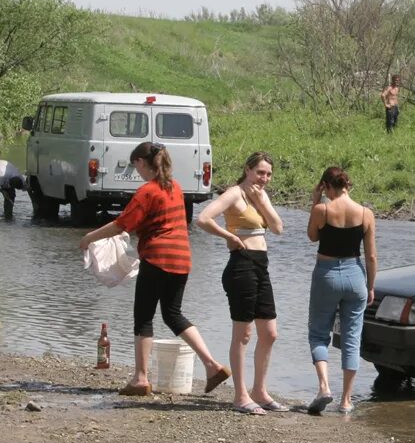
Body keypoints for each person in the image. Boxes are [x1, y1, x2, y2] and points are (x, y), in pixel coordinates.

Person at [79, 142, 230, 397]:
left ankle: (140, 379)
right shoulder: (176, 188)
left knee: (144, 317)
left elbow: (122, 224)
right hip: (182, 259)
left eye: (135, 165)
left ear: (141, 162)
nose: (135, 170)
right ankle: (212, 365)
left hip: (158, 258)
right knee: (173, 314)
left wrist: (89, 238)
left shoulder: (147, 191)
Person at [196, 152, 286, 415]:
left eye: (268, 174)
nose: (264, 178)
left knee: (269, 334)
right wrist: (229, 236)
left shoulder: (261, 195)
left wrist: (261, 200)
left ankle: (260, 391)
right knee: (243, 334)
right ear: (247, 170)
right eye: (260, 172)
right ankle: (240, 395)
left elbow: (278, 228)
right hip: (241, 265)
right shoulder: (234, 193)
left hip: (261, 266)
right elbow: (203, 219)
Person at [305, 167, 377, 415]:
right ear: (348, 185)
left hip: (326, 274)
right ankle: (346, 400)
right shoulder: (366, 213)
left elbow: (312, 236)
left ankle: (324, 387)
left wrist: (316, 201)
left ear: (326, 186)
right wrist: (370, 286)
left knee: (318, 333)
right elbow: (371, 256)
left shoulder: (322, 210)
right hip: (356, 276)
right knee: (351, 338)